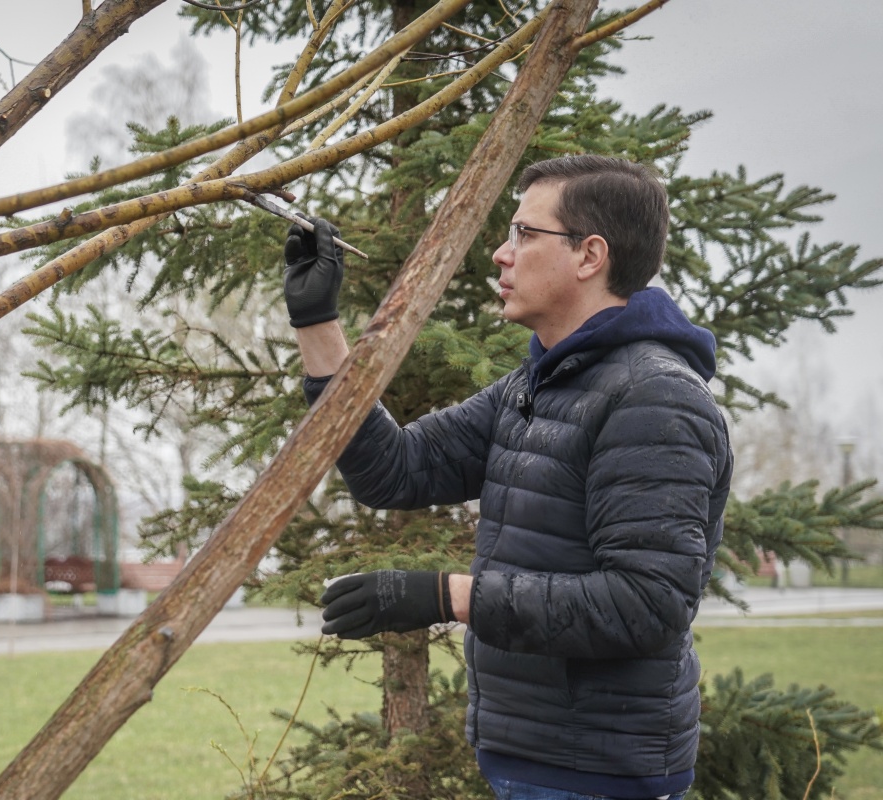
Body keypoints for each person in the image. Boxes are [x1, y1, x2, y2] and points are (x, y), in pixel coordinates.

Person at [283, 155, 733, 800]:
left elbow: (646, 604)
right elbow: (395, 471)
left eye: (525, 233)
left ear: (589, 255)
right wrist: (317, 325)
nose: (501, 253)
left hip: (598, 775)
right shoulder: (535, 387)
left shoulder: (652, 398)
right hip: (533, 758)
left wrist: (448, 596)